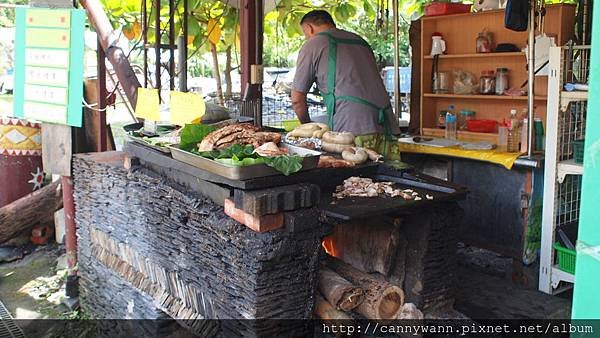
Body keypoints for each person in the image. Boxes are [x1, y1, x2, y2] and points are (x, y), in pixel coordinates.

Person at [291, 10, 401, 159]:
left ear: (309, 28)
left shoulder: (313, 44)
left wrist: (309, 128)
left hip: (352, 130)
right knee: (388, 177)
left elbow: (297, 99)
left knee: (355, 180)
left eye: (305, 33)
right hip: (386, 125)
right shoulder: (360, 41)